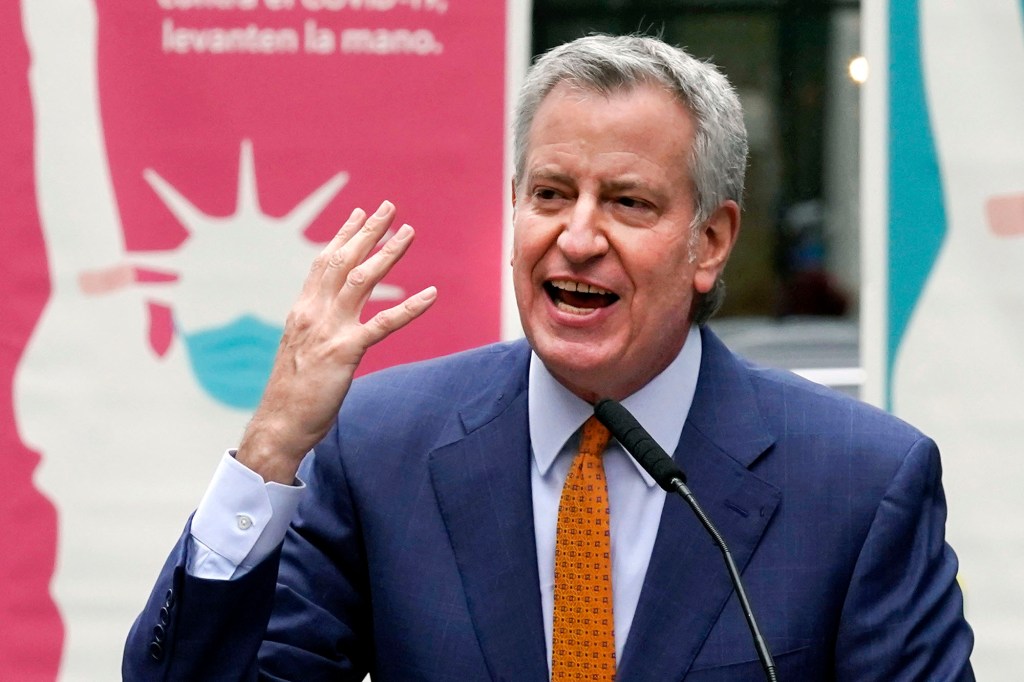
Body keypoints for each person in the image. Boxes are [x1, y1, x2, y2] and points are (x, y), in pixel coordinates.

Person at [124, 34, 974, 680]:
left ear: (709, 242)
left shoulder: (862, 484)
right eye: (551, 194)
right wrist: (271, 446)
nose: (576, 238)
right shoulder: (379, 449)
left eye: (628, 202)